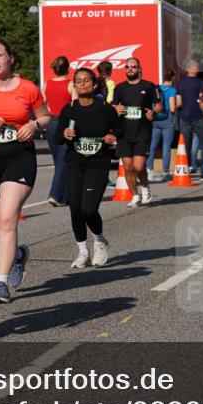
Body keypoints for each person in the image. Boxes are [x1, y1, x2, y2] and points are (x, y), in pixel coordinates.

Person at [0, 38, 50, 304]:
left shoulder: (28, 88)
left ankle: (0, 283)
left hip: (19, 157)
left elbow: (45, 115)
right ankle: (18, 255)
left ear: (10, 58)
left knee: (8, 220)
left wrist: (34, 125)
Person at [57, 68, 124, 268]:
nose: (83, 83)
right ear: (74, 86)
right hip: (74, 162)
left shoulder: (105, 109)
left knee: (88, 208)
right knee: (75, 208)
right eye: (79, 81)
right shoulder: (68, 110)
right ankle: (83, 251)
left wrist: (113, 135)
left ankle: (100, 240)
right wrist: (65, 134)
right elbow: (57, 138)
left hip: (98, 162)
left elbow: (120, 129)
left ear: (94, 85)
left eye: (87, 80)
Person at [112, 57, 161, 206]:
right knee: (127, 167)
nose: (130, 69)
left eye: (133, 66)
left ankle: (145, 187)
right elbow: (113, 106)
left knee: (139, 167)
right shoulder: (119, 88)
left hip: (142, 132)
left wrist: (153, 112)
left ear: (139, 69)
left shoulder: (149, 86)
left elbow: (159, 105)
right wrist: (116, 108)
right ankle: (135, 195)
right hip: (124, 133)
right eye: (127, 67)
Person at [44, 56, 73, 207]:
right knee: (63, 160)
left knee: (58, 160)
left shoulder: (46, 84)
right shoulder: (70, 84)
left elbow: (43, 105)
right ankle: (55, 194)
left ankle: (66, 196)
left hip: (51, 123)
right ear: (68, 68)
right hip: (66, 123)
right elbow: (74, 107)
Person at [176, 60, 203, 176]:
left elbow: (178, 102)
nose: (198, 69)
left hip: (185, 117)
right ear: (192, 68)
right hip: (199, 116)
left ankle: (186, 168)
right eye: (197, 66)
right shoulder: (201, 83)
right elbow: (202, 98)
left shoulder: (181, 83)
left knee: (185, 145)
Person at [149, 68, 178, 181]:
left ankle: (149, 170)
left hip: (155, 119)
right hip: (167, 120)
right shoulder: (171, 90)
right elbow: (171, 108)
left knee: (152, 145)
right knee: (166, 146)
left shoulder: (157, 88)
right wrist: (176, 107)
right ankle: (166, 172)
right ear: (173, 78)